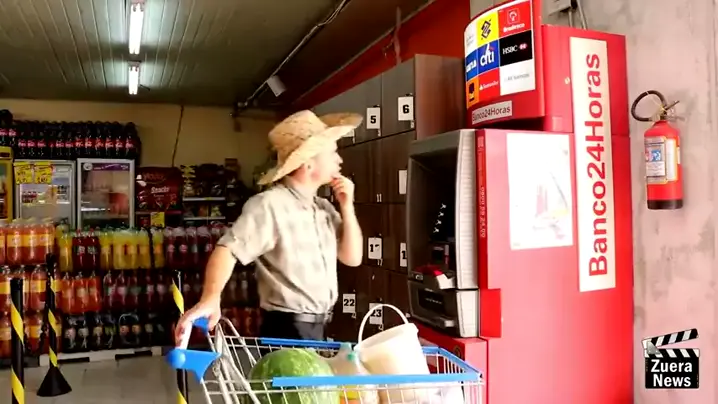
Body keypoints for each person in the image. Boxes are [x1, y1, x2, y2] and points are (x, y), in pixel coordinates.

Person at [174, 110, 364, 343]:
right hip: (288, 329)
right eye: (333, 153)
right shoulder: (270, 205)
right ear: (308, 163)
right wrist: (210, 298)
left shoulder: (323, 208)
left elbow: (352, 258)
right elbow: (228, 249)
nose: (339, 160)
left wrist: (347, 206)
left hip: (321, 326)